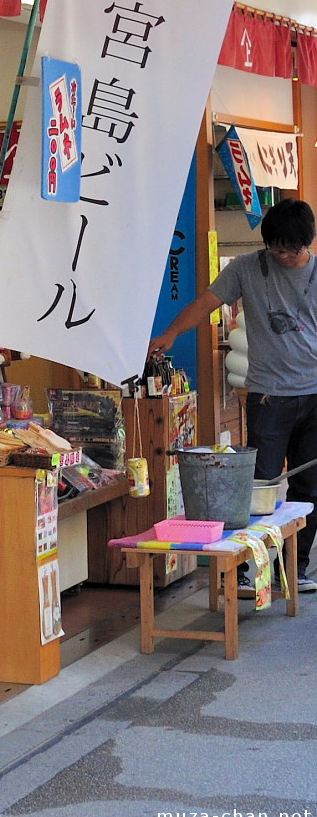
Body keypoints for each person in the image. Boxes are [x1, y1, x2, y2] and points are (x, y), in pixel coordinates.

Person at [148, 198, 317, 594]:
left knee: (310, 489)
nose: (283, 256)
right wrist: (170, 334)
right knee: (258, 489)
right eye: (275, 249)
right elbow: (204, 304)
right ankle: (247, 570)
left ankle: (295, 569)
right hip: (267, 397)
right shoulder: (246, 268)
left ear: (306, 242)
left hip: (314, 395)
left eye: (290, 250)